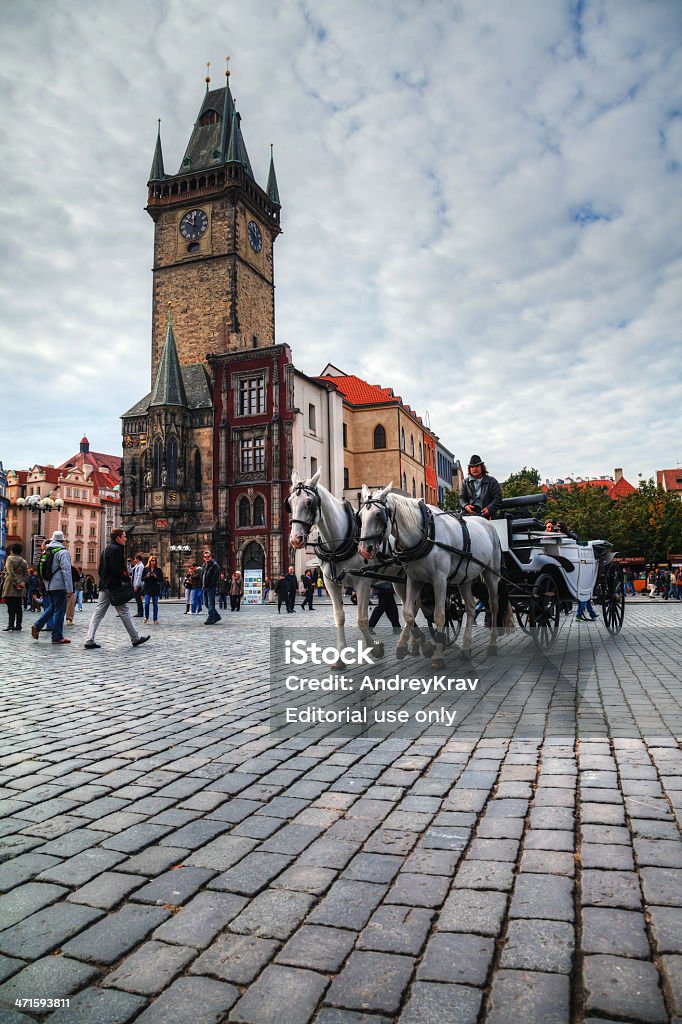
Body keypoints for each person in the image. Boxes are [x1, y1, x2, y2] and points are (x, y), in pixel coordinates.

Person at [84, 529, 149, 650]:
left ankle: (89, 639)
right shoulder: (116, 550)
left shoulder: (106, 549)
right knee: (123, 612)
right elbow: (116, 569)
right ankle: (135, 638)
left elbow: (100, 569)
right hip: (114, 586)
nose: (126, 538)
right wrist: (126, 578)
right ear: (118, 538)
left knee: (99, 613)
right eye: (124, 536)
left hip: (105, 584)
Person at [32, 531, 73, 645]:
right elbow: (66, 571)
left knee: (53, 607)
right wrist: (69, 588)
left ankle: (38, 625)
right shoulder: (62, 552)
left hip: (48, 585)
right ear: (62, 541)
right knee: (60, 611)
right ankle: (57, 636)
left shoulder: (46, 550)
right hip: (59, 585)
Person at [458, 455, 503, 519]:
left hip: (488, 515)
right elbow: (461, 498)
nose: (474, 469)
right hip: (469, 514)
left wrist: (489, 509)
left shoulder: (492, 481)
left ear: (481, 467)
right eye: (472, 467)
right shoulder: (465, 482)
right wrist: (466, 506)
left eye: (476, 466)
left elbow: (497, 498)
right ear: (469, 469)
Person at [2, 542, 29, 631]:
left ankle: (10, 624)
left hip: (10, 585)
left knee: (10, 606)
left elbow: (10, 572)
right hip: (20, 585)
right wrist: (22, 582)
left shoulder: (9, 559)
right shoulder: (23, 561)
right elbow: (26, 574)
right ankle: (18, 625)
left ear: (12, 551)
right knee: (18, 606)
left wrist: (16, 582)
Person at [141, 555, 163, 624]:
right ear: (149, 561)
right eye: (152, 560)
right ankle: (146, 617)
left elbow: (161, 579)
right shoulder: (146, 569)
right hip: (147, 588)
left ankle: (155, 619)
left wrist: (156, 576)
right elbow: (142, 578)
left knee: (155, 604)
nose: (153, 562)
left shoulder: (158, 570)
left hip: (155, 588)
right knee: (146, 603)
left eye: (155, 561)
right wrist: (147, 576)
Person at [201, 549, 221, 625]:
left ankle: (210, 618)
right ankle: (216, 616)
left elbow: (214, 578)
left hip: (211, 587)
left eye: (208, 556)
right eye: (205, 557)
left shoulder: (214, 565)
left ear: (211, 557)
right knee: (206, 603)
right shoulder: (204, 565)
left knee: (210, 603)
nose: (207, 558)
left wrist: (210, 585)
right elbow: (202, 576)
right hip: (204, 587)